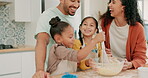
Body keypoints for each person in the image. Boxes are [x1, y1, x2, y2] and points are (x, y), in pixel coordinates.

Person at [33, 0, 81, 78]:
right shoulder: (48, 15)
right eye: (72, 0)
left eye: (79, 1)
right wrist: (39, 70)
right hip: (54, 72)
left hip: (70, 71)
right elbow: (42, 42)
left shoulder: (74, 17)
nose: (76, 5)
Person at [99, 0, 147, 70]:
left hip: (127, 71)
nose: (109, 5)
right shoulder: (105, 23)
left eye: (113, 2)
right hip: (109, 68)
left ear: (123, 7)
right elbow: (99, 48)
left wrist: (130, 64)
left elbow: (141, 58)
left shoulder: (138, 28)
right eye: (110, 2)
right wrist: (103, 53)